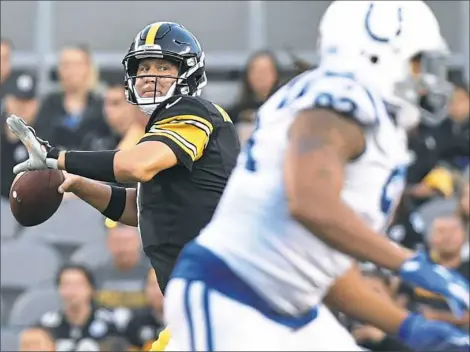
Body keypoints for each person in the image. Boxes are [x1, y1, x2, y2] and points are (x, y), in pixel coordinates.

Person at [156, 1, 468, 350]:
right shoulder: (340, 99)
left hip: (294, 309)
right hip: (231, 296)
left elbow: (324, 268)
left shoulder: (364, 116)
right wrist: (409, 262)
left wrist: (412, 328)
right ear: (378, 53)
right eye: (416, 60)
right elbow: (309, 201)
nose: (422, 74)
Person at [8, 21, 240, 349]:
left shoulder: (193, 112)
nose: (150, 75)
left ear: (188, 73)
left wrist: (55, 156)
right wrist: (80, 184)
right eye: (144, 67)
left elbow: (137, 166)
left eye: (163, 66)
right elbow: (141, 207)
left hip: (220, 295)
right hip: (198, 299)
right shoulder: (164, 129)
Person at [38, 264, 119, 351]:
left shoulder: (111, 324)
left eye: (78, 285)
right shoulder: (47, 326)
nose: (72, 291)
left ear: (91, 289)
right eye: (66, 285)